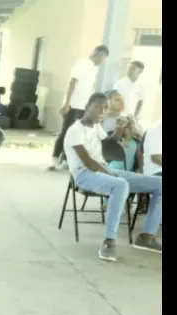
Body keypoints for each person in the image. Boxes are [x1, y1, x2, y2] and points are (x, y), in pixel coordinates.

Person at [63, 92, 162, 261]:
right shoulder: (75, 130)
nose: (102, 111)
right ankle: (109, 241)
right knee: (120, 184)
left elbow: (107, 144)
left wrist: (119, 130)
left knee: (160, 184)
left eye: (105, 108)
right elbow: (88, 162)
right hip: (84, 174)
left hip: (104, 170)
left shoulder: (95, 126)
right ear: (87, 106)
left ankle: (146, 237)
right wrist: (111, 174)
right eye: (98, 107)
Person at [51, 45, 110, 170]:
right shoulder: (83, 63)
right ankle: (54, 158)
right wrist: (66, 103)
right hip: (73, 105)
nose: (102, 60)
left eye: (104, 58)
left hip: (84, 107)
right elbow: (72, 82)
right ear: (95, 52)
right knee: (66, 131)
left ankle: (67, 160)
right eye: (102, 56)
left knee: (79, 134)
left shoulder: (93, 69)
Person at [102, 90, 141, 173]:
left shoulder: (129, 118)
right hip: (109, 163)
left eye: (122, 99)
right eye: (117, 100)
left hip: (130, 164)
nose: (122, 102)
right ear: (108, 103)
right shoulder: (101, 120)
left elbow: (139, 140)